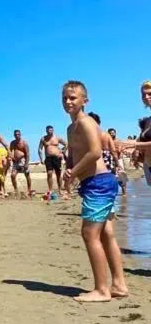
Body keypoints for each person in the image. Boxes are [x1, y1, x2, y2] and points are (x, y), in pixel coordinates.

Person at [62, 81, 127, 303]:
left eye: (73, 98)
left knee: (90, 234)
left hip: (99, 183)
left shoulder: (86, 122)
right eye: (65, 98)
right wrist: (69, 171)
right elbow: (74, 154)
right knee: (106, 234)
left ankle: (101, 290)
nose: (68, 101)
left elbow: (95, 152)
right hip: (95, 183)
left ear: (84, 101)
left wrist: (73, 173)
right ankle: (118, 284)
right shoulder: (71, 128)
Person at [38, 125, 67, 195]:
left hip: (57, 158)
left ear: (53, 130)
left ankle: (60, 190)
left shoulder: (57, 137)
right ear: (46, 131)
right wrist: (41, 158)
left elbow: (66, 144)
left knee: (58, 174)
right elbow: (39, 149)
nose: (49, 131)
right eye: (48, 130)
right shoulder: (43, 139)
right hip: (48, 158)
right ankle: (50, 190)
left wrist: (62, 152)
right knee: (49, 173)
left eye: (50, 130)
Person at [9, 130, 32, 198]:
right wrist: (11, 158)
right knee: (12, 175)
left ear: (20, 134)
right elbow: (11, 151)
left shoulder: (24, 143)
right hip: (15, 161)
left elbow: (27, 154)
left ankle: (29, 189)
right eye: (16, 134)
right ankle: (16, 189)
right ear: (14, 135)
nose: (17, 136)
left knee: (27, 175)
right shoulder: (12, 143)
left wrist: (27, 164)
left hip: (23, 161)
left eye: (18, 134)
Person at [108, 128, 128, 196]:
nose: (112, 134)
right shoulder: (107, 141)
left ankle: (124, 193)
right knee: (111, 176)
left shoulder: (118, 141)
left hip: (119, 159)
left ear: (115, 133)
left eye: (113, 133)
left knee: (122, 176)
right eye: (111, 133)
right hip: (110, 160)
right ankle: (111, 192)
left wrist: (119, 149)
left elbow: (121, 150)